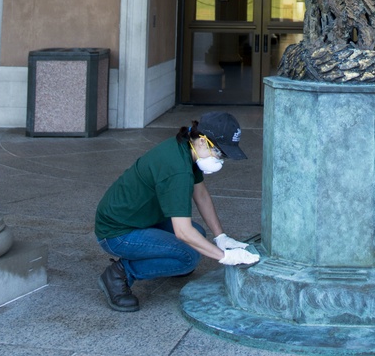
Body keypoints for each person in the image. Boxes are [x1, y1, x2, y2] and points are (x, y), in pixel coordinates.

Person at [95, 110, 259, 312]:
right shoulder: (178, 170)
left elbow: (201, 195)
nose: (221, 160)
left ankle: (166, 259)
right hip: (116, 233)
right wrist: (224, 256)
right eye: (220, 152)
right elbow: (182, 231)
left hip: (140, 219)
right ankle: (121, 273)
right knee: (188, 257)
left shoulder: (187, 148)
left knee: (198, 235)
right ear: (202, 141)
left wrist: (220, 236)